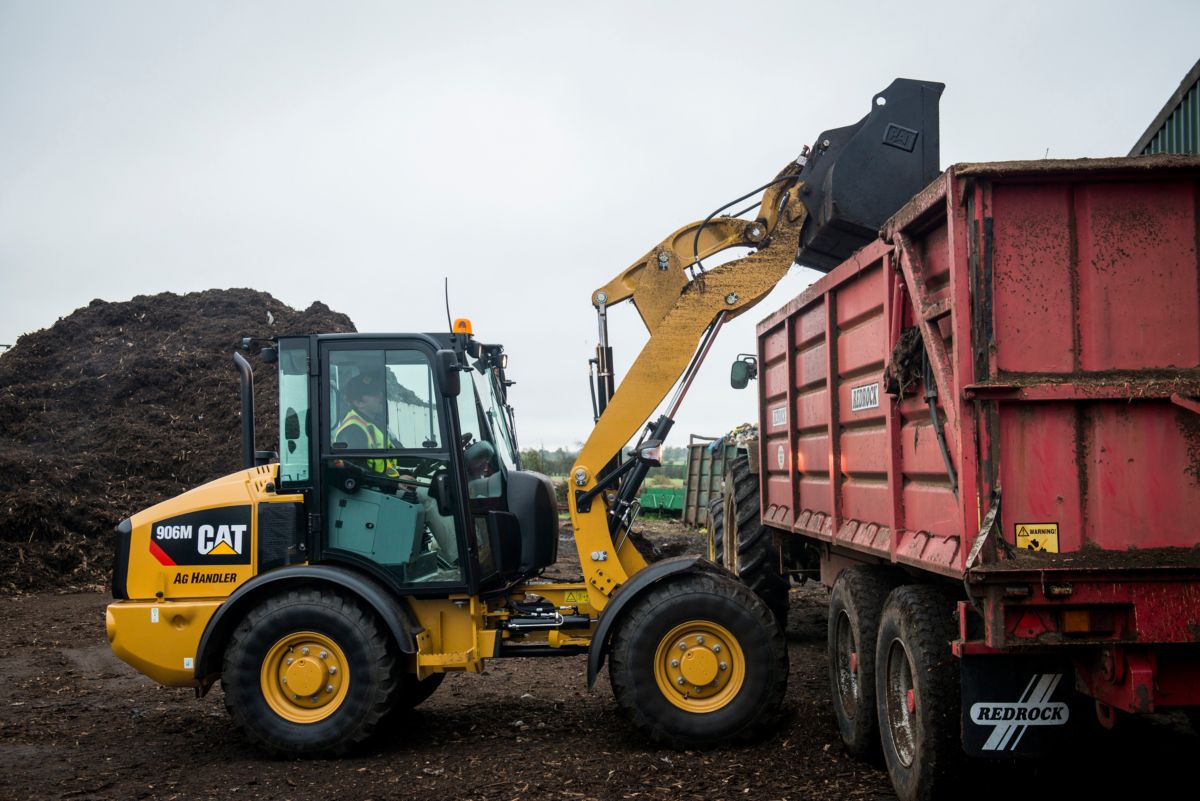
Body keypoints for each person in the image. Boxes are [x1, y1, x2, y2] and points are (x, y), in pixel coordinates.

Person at [334, 373, 400, 477]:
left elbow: (386, 464)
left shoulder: (374, 424)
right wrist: (396, 483)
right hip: (369, 489)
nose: (381, 396)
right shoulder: (353, 429)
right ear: (359, 403)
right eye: (373, 394)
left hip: (382, 484)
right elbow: (356, 469)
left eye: (379, 392)